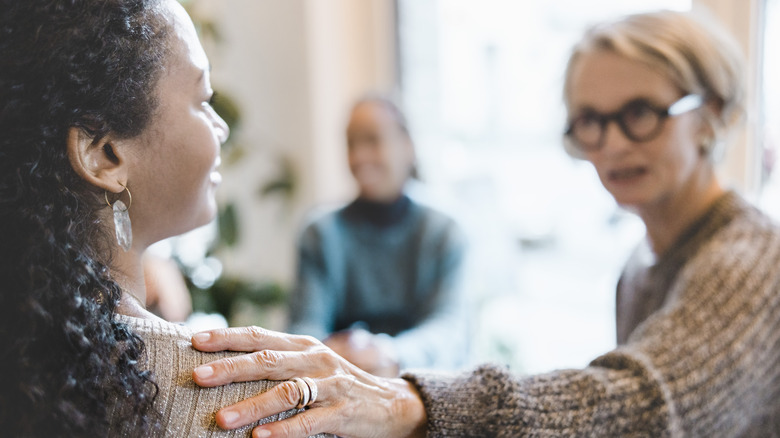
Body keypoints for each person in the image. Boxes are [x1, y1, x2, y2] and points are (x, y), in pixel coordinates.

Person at [190, 10, 780, 437]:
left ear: (712, 116)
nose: (613, 144)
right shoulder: (640, 264)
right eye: (592, 122)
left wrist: (410, 401)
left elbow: (646, 406)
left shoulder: (751, 260)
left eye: (640, 114)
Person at [0, 0, 332, 436]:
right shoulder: (255, 407)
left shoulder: (26, 347)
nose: (222, 128)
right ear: (105, 155)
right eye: (203, 99)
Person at [288, 96, 469, 377]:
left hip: (421, 386)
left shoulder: (442, 231)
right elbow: (302, 328)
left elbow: (449, 331)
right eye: (351, 144)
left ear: (408, 147)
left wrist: (388, 353)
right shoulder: (320, 233)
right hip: (340, 382)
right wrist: (336, 355)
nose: (360, 157)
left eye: (373, 141)